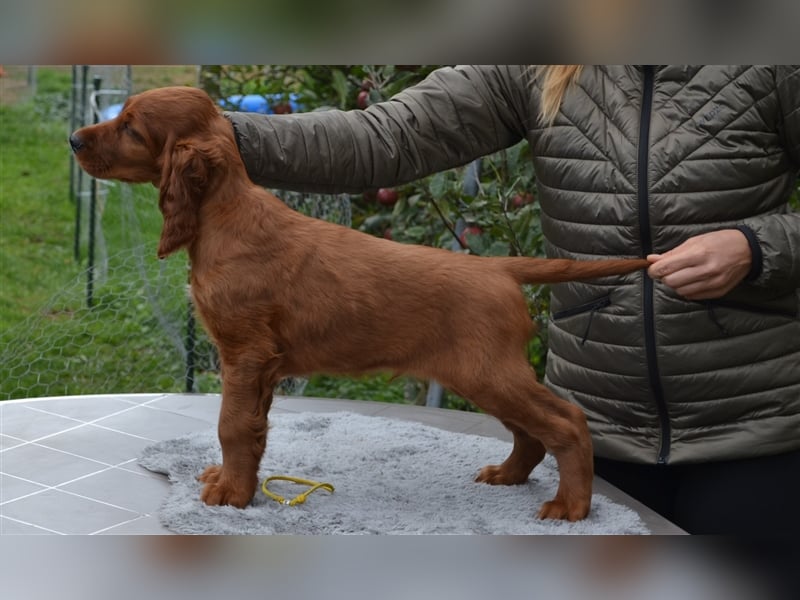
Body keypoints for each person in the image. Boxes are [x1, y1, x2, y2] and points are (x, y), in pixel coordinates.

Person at [222, 65, 800, 535]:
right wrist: (217, 132)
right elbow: (385, 138)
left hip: (756, 430)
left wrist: (758, 245)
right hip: (599, 433)